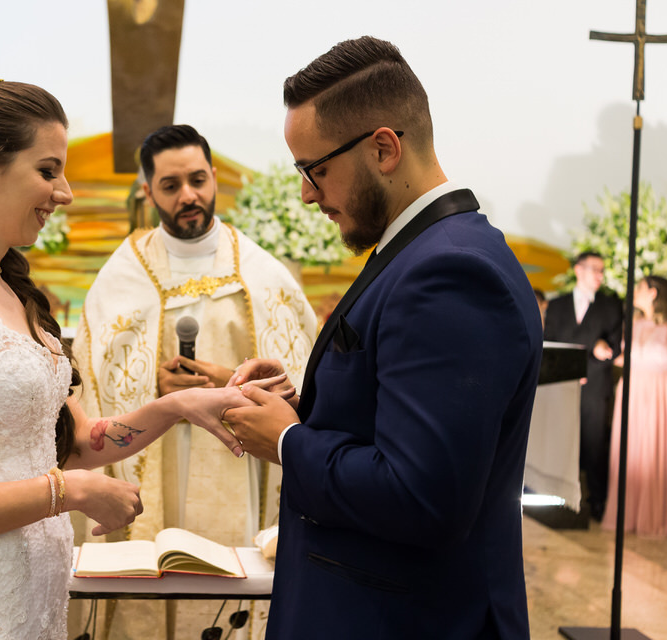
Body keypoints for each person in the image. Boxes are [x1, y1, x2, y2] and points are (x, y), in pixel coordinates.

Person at [0, 81, 260, 640]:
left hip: (30, 606)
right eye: (48, 171)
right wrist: (67, 492)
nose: (66, 192)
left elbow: (76, 443)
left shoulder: (8, 285)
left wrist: (178, 405)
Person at [222, 37, 543, 639]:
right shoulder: (425, 251)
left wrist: (289, 442)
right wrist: (305, 408)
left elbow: (423, 496)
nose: (307, 193)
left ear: (385, 148)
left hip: (403, 619)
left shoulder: (450, 273)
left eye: (315, 169)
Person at [71, 123, 317, 639]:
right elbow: (95, 376)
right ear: (149, 191)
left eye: (198, 180)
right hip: (158, 456)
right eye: (171, 185)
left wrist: (233, 381)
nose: (189, 196)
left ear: (213, 180)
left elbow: (304, 377)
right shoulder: (124, 274)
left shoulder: (262, 273)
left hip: (238, 460)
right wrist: (154, 390)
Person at [544, 251, 623, 521]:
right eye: (594, 269)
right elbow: (549, 343)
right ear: (579, 270)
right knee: (560, 441)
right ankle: (557, 499)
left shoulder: (611, 306)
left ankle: (597, 502)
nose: (600, 275)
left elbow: (614, 349)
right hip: (560, 387)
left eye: (602, 271)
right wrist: (567, 371)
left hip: (595, 387)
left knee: (594, 445)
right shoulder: (556, 305)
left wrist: (595, 359)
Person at [602, 275, 667, 537]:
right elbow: (625, 358)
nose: (635, 292)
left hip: (661, 394)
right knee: (631, 450)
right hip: (632, 390)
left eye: (640, 287)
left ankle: (655, 518)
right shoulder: (632, 322)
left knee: (656, 451)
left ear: (654, 293)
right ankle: (629, 516)